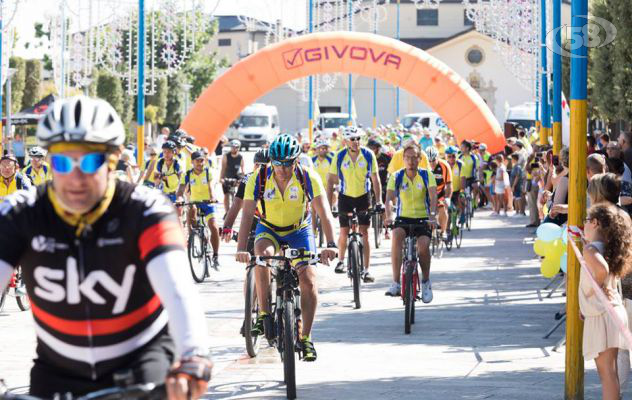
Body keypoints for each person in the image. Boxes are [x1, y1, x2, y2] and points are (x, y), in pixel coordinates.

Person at [0, 96, 211, 399]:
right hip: (57, 372)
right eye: (62, 161)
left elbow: (178, 290)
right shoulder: (21, 212)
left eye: (89, 161)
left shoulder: (145, 209)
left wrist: (193, 357)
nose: (75, 176)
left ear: (112, 161)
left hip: (140, 363)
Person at [235, 134, 337, 362]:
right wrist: (242, 248)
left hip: (299, 229)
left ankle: (307, 337)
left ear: (296, 160)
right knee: (263, 256)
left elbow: (325, 213)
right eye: (278, 164)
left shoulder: (307, 176)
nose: (283, 169)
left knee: (309, 278)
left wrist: (330, 244)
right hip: (269, 228)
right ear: (272, 161)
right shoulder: (258, 178)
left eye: (288, 163)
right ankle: (264, 313)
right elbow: (247, 215)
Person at [580, 203, 632, 400]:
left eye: (586, 221)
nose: (584, 225)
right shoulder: (608, 248)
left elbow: (600, 270)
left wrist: (597, 288)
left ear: (594, 223)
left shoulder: (591, 249)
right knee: (612, 372)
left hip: (602, 315)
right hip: (610, 312)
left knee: (606, 374)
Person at [327, 126, 383, 282]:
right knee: (344, 231)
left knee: (365, 233)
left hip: (363, 197)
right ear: (346, 141)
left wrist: (379, 201)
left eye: (358, 138)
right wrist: (328, 205)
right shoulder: (339, 156)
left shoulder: (368, 154)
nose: (356, 142)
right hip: (345, 197)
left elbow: (375, 179)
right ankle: (341, 261)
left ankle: (366, 270)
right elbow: (331, 181)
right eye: (352, 139)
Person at [384, 143, 438, 300]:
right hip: (403, 218)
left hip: (423, 219)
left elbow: (433, 196)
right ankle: (395, 282)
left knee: (423, 247)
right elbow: (389, 199)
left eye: (414, 158)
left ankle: (426, 281)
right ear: (403, 159)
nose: (410, 161)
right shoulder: (397, 176)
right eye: (407, 158)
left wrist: (433, 216)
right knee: (396, 237)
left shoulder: (427, 175)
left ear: (420, 159)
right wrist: (389, 216)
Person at [177, 151, 221, 269]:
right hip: (195, 202)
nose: (200, 163)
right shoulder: (187, 174)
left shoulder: (208, 172)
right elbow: (181, 190)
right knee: (192, 210)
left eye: (202, 160)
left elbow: (211, 186)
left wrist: (212, 197)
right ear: (192, 162)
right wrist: (179, 198)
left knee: (214, 227)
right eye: (197, 161)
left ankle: (215, 256)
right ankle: (197, 236)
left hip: (208, 203)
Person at [221, 149, 270, 246]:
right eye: (257, 164)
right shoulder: (247, 179)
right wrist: (227, 226)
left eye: (264, 165)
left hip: (272, 221)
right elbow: (236, 204)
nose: (260, 168)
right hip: (253, 219)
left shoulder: (276, 178)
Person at [427, 146, 452, 237]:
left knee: (442, 208)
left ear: (437, 157)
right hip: (427, 192)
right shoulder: (423, 166)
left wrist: (448, 198)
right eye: (429, 161)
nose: (431, 163)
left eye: (433, 160)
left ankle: (443, 231)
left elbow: (449, 184)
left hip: (440, 192)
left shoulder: (444, 166)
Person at [220, 139, 245, 213]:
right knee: (226, 195)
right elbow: (223, 167)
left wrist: (243, 179)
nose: (234, 149)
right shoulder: (226, 156)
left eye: (236, 147)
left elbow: (243, 169)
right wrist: (221, 178)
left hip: (236, 176)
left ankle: (236, 211)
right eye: (232, 147)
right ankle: (227, 212)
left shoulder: (240, 157)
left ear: (239, 148)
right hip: (227, 176)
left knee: (239, 195)